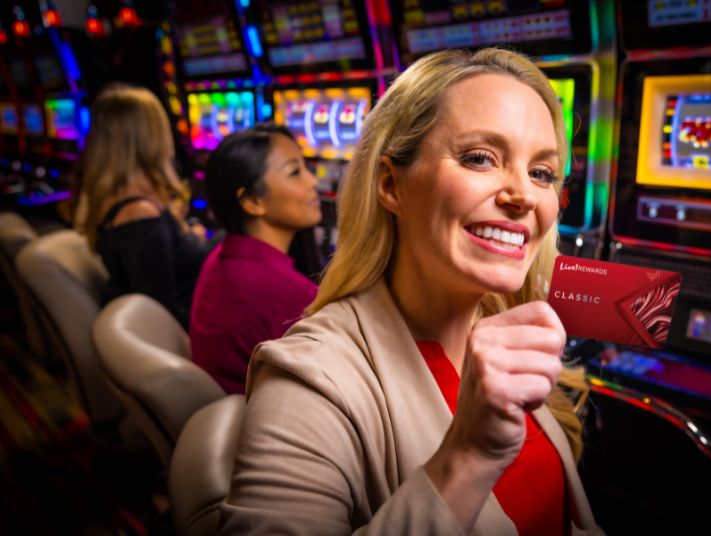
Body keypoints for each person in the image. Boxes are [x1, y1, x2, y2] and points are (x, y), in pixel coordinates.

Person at [220, 48, 602, 535]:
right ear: (391, 184)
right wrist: (467, 457)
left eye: (541, 173)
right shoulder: (308, 381)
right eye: (480, 158)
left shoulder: (509, 325)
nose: (524, 194)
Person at [190, 124, 322, 395]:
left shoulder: (222, 254)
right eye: (295, 172)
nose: (314, 181)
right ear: (252, 201)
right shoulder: (285, 291)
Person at [71, 83, 210, 329]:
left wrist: (183, 233)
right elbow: (162, 308)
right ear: (150, 137)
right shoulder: (138, 215)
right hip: (180, 336)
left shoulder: (116, 196)